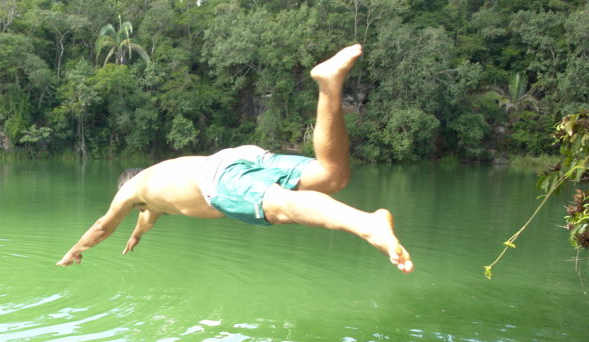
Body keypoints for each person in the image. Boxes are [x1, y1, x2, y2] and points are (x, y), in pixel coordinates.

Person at [55, 44, 413, 273]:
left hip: (219, 181)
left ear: (128, 188)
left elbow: (104, 224)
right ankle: (329, 85)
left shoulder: (133, 188)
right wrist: (135, 238)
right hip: (243, 158)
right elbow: (147, 219)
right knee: (332, 175)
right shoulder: (156, 189)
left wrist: (75, 249)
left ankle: (369, 224)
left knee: (283, 206)